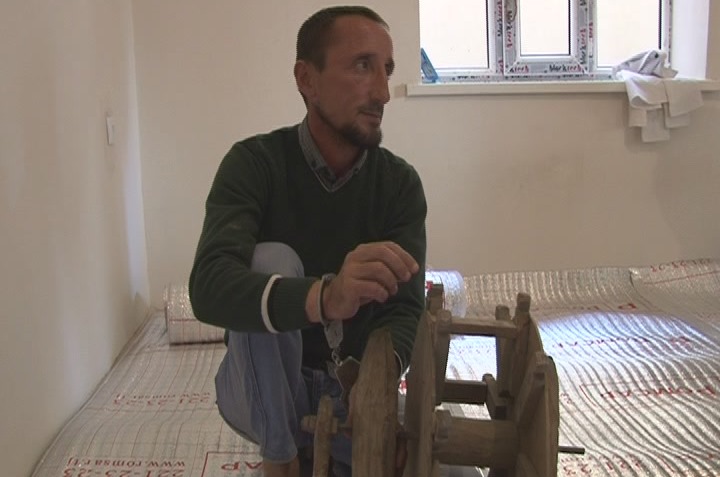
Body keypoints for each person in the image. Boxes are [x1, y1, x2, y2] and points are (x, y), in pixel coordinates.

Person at [189, 6, 427, 477]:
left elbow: (405, 309)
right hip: (261, 391)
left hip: (351, 392)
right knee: (269, 259)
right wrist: (325, 297)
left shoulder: (399, 185)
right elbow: (209, 287)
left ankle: (326, 449)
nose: (382, 92)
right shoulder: (253, 165)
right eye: (362, 66)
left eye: (386, 70)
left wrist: (376, 385)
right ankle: (281, 458)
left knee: (449, 466)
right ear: (307, 79)